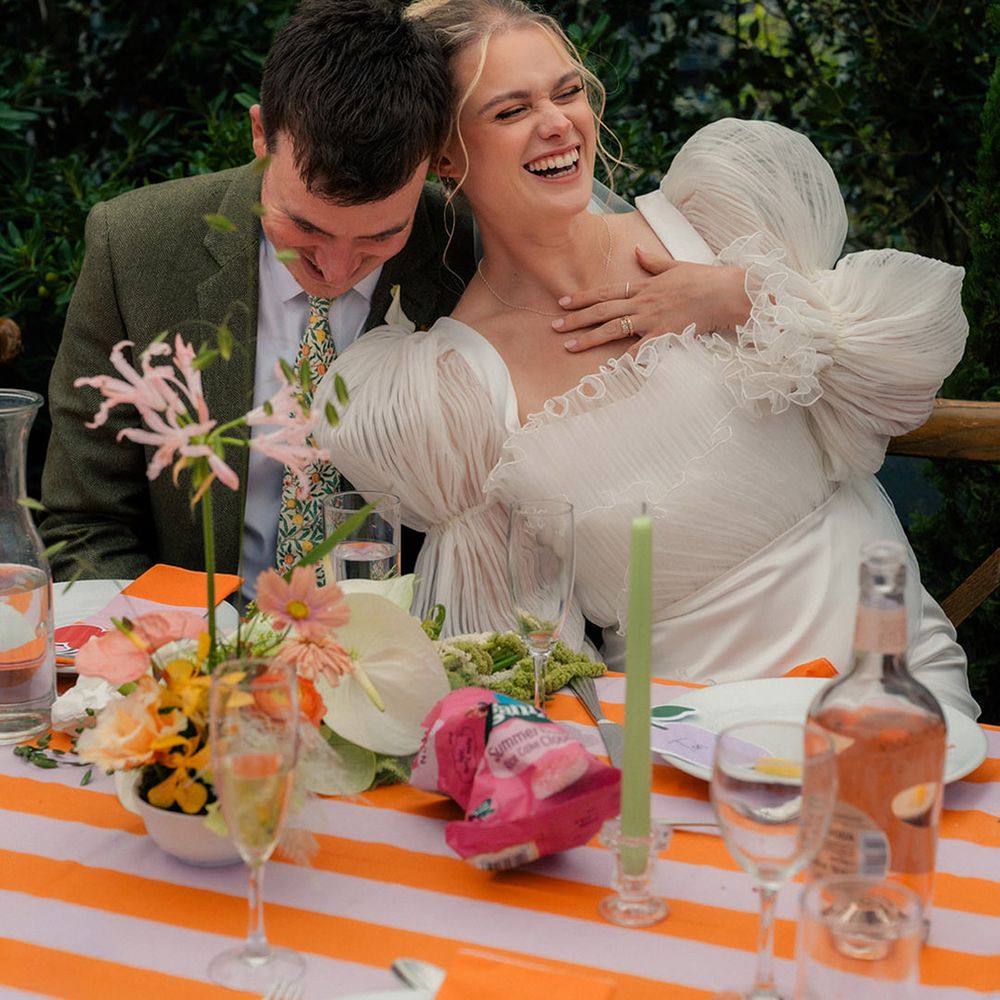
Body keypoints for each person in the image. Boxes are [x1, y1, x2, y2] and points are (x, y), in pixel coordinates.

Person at [314, 0, 979, 718]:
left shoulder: (709, 225)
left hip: (889, 666)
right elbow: (512, 642)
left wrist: (742, 295)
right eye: (512, 111)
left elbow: (911, 361)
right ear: (446, 156)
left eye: (567, 92)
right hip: (690, 728)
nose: (558, 123)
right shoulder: (455, 389)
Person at [38, 0, 475, 594]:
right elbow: (88, 523)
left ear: (434, 164)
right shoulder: (135, 246)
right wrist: (191, 651)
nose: (337, 269)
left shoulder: (472, 256)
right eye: (307, 229)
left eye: (381, 237)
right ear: (260, 133)